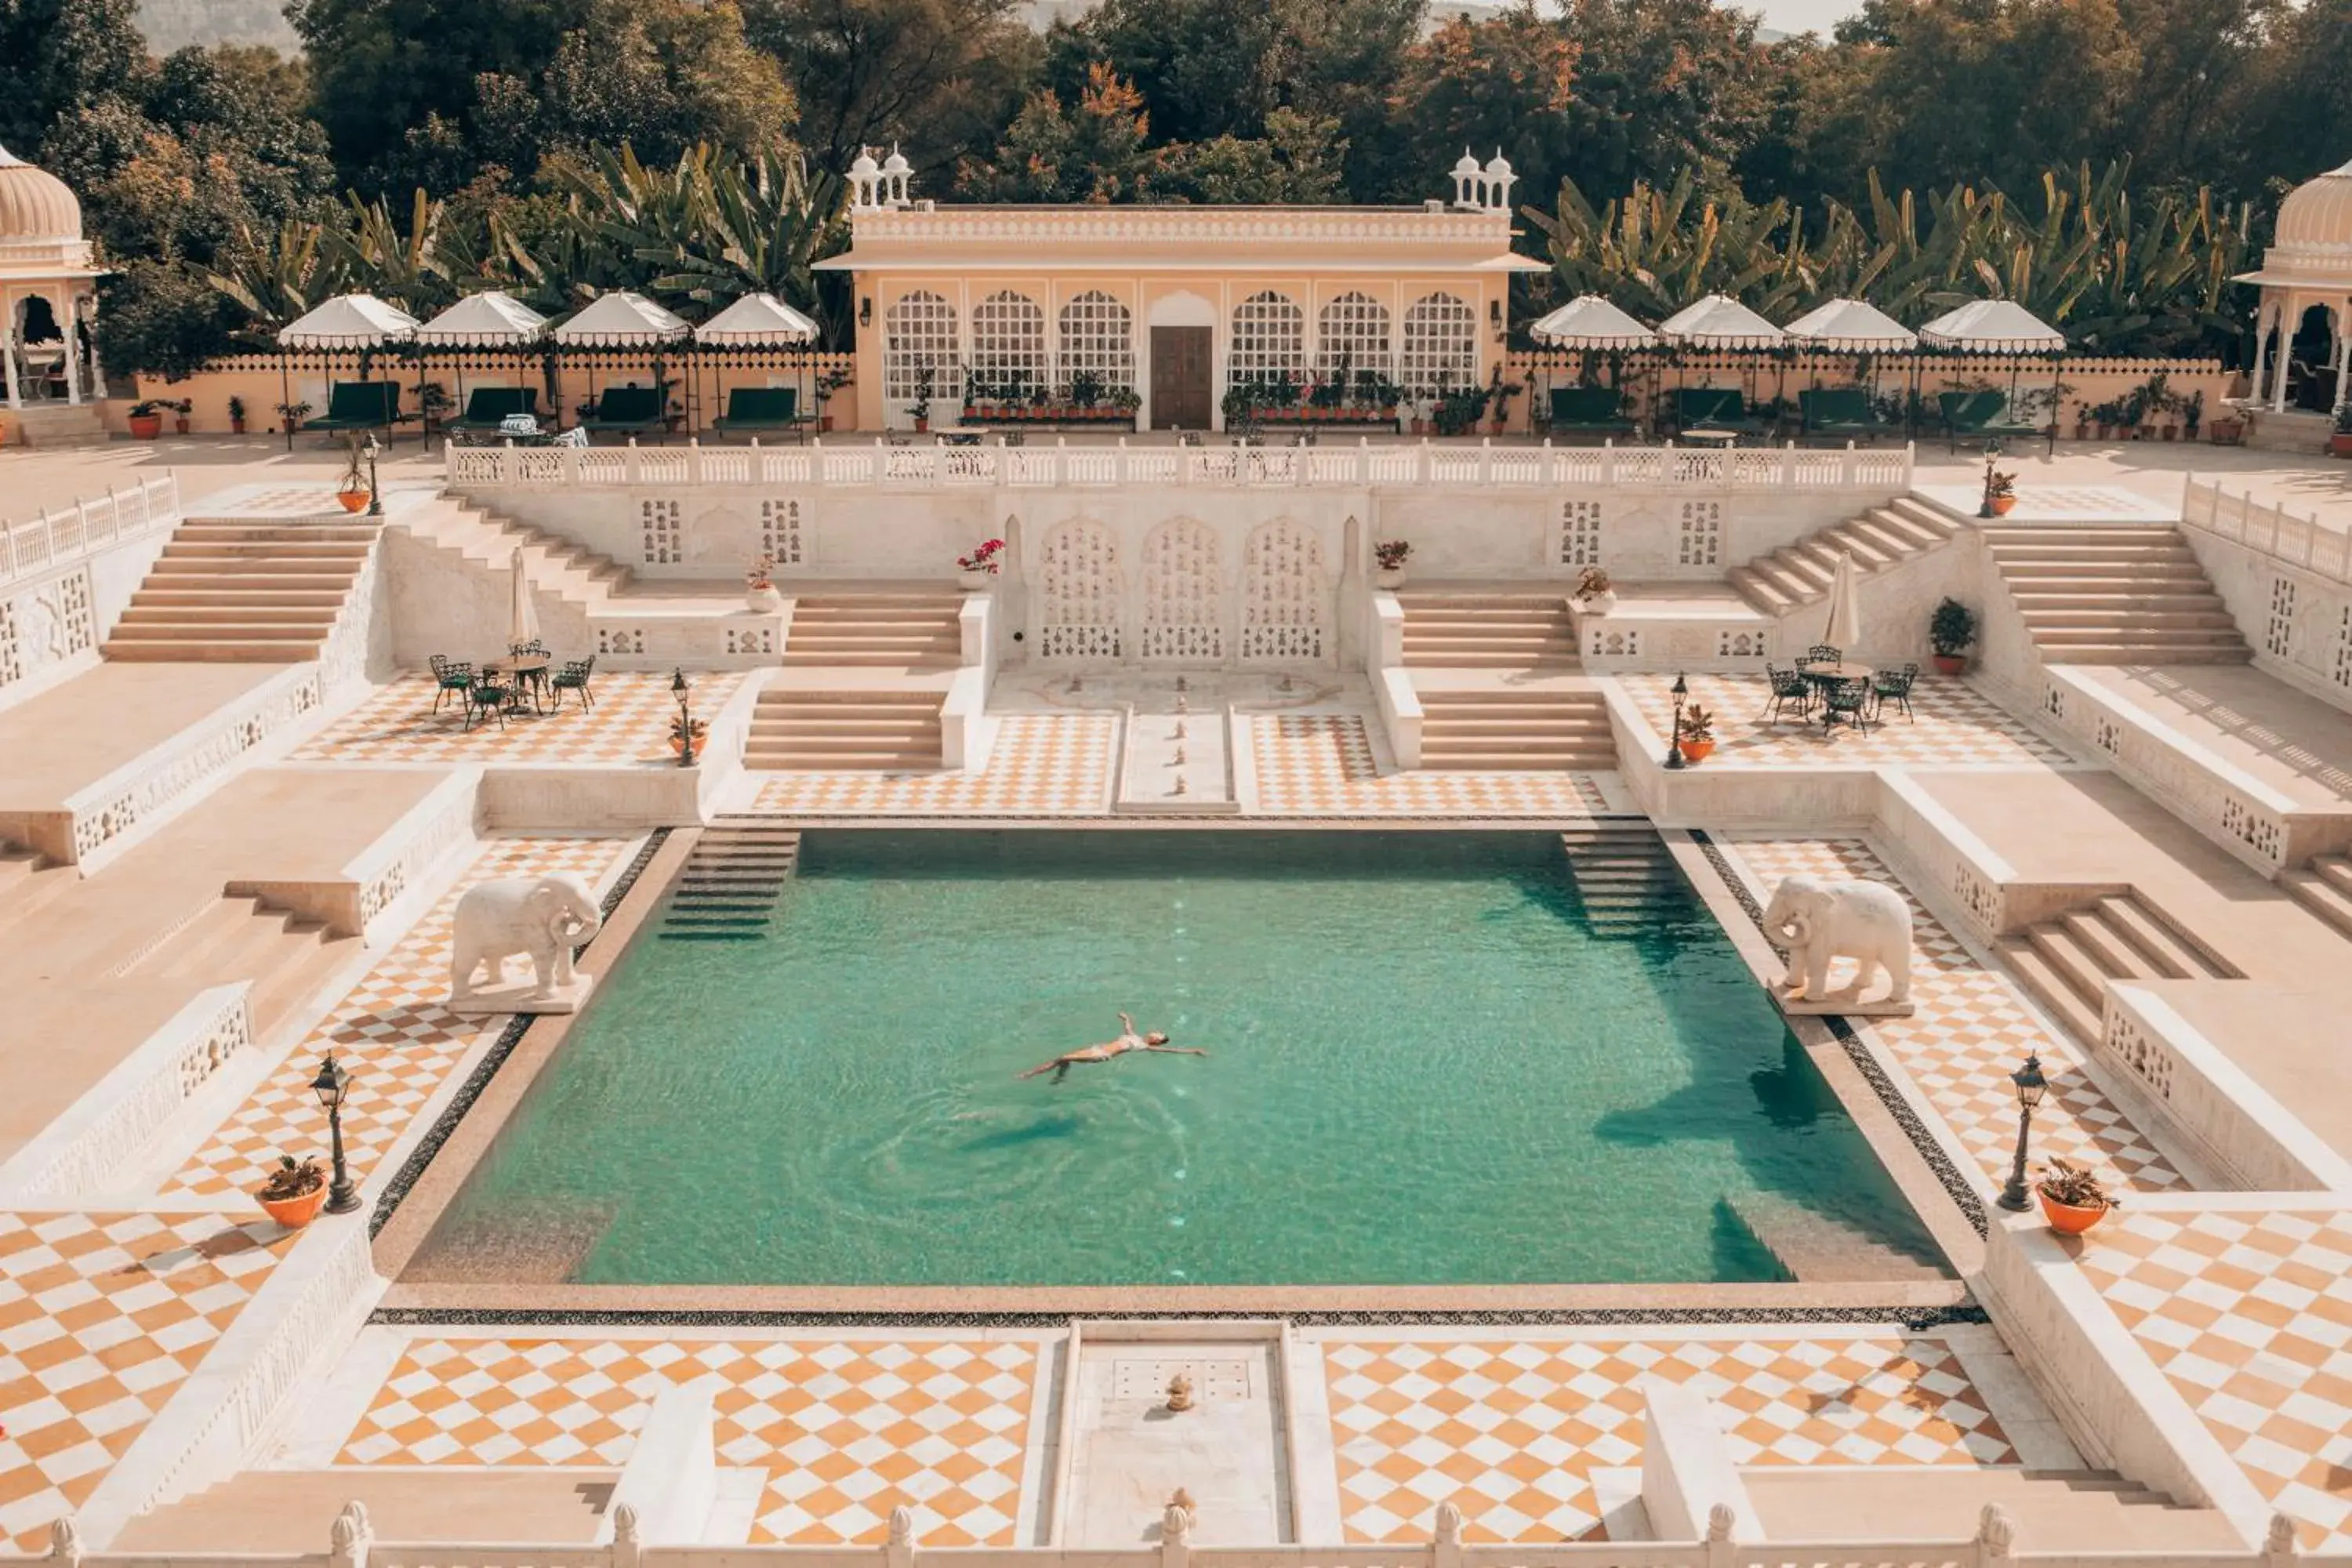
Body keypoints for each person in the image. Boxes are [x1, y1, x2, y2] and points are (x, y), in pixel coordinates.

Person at [1018, 1013, 1207, 1083]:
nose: (1156, 1032)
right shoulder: (1136, 1037)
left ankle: (1030, 1075)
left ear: (1156, 1041)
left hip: (1102, 1055)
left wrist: (1193, 1051)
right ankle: (1060, 1078)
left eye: (1159, 1034)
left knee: (1064, 1058)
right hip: (1097, 1048)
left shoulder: (1143, 1046)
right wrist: (1126, 1019)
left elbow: (1171, 1051)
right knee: (1064, 1058)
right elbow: (1128, 1029)